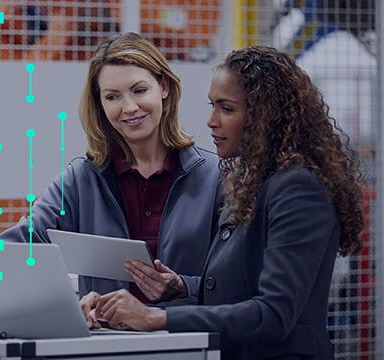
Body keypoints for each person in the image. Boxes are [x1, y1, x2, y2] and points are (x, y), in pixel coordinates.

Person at [81, 45, 364, 359]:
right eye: (212, 106)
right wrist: (182, 287)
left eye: (226, 109)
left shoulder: (298, 188)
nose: (211, 121)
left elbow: (273, 314)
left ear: (263, 115)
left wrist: (158, 318)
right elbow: (242, 288)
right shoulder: (253, 184)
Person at [1, 32, 220, 301]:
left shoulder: (216, 177)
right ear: (100, 104)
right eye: (112, 97)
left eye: (140, 90)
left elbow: (242, 281)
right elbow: (17, 252)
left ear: (163, 87)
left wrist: (184, 286)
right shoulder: (80, 181)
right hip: (108, 341)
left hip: (189, 338)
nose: (129, 107)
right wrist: (68, 305)